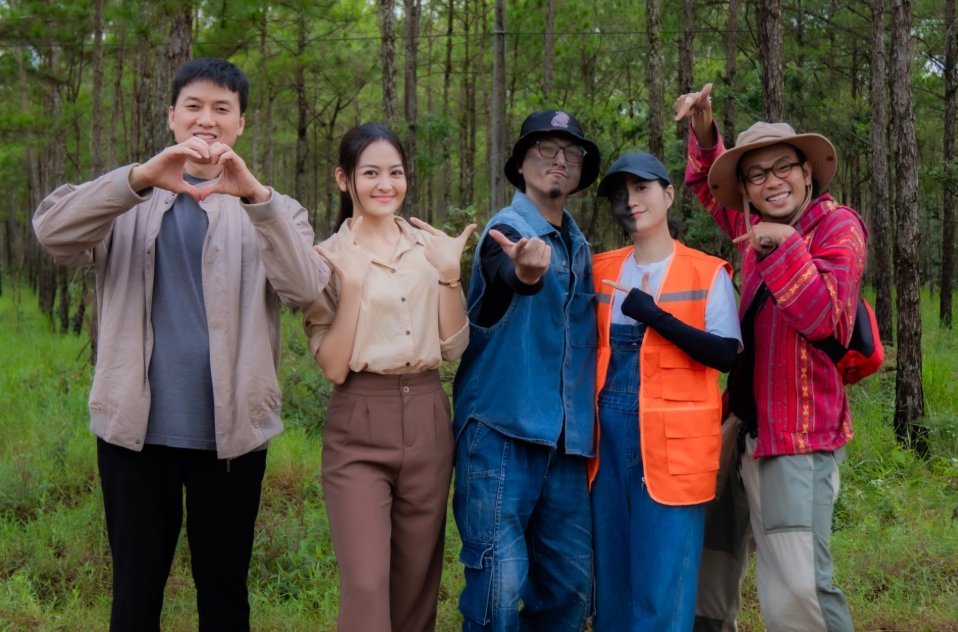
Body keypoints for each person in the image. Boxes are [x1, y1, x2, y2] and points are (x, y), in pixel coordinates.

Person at [32, 58, 328, 631]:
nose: (207, 120)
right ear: (172, 116)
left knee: (224, 595)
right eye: (194, 106)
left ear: (241, 123)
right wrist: (138, 179)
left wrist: (256, 198)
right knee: (134, 597)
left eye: (223, 108)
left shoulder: (276, 209)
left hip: (232, 438)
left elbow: (305, 289)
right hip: (134, 435)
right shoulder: (126, 202)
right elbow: (52, 233)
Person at [677, 84, 865, 632]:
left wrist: (784, 246)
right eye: (756, 175)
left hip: (797, 440)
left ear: (808, 172)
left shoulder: (839, 228)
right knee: (709, 580)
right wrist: (707, 129)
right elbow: (704, 185)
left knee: (798, 589)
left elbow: (824, 320)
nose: (771, 181)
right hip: (739, 427)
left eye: (783, 167)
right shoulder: (749, 224)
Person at [302, 122, 475, 632]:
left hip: (426, 413)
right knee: (367, 584)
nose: (385, 184)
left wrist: (449, 274)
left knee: (416, 578)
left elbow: (454, 348)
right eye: (371, 172)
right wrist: (352, 285)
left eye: (395, 173)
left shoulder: (429, 247)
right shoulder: (324, 258)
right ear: (343, 179)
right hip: (359, 418)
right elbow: (334, 366)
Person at [451, 109, 600, 632]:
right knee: (498, 591)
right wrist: (525, 271)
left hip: (564, 442)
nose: (558, 161)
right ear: (520, 163)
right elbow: (509, 270)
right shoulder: (507, 229)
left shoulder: (580, 247)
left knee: (570, 590)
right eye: (544, 150)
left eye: (570, 153)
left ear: (580, 171)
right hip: (500, 432)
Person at [588, 152, 742, 632]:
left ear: (669, 194)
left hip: (677, 449)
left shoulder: (707, 272)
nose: (631, 201)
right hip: (606, 444)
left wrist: (653, 314)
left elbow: (726, 356)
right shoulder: (598, 270)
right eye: (619, 194)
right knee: (610, 585)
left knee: (663, 589)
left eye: (642, 188)